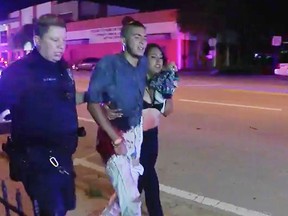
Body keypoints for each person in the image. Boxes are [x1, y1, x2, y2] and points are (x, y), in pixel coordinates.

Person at [0, 14, 86, 216]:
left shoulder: (62, 68)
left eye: (64, 40)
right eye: (54, 40)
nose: (61, 46)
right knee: (51, 212)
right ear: (37, 41)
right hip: (37, 162)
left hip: (63, 158)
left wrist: (95, 97)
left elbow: (66, 98)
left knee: (64, 208)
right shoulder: (19, 72)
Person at [104, 43, 178, 216]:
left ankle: (114, 210)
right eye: (153, 57)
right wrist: (107, 107)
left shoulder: (161, 83)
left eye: (161, 57)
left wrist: (169, 92)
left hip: (152, 138)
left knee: (138, 182)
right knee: (147, 178)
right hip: (134, 139)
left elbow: (167, 111)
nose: (158, 61)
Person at [86, 19, 148, 216]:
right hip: (113, 135)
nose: (142, 42)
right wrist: (116, 138)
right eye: (136, 37)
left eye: (144, 37)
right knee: (131, 199)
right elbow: (92, 103)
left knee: (127, 190)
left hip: (136, 133)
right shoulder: (108, 64)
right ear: (123, 40)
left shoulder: (143, 63)